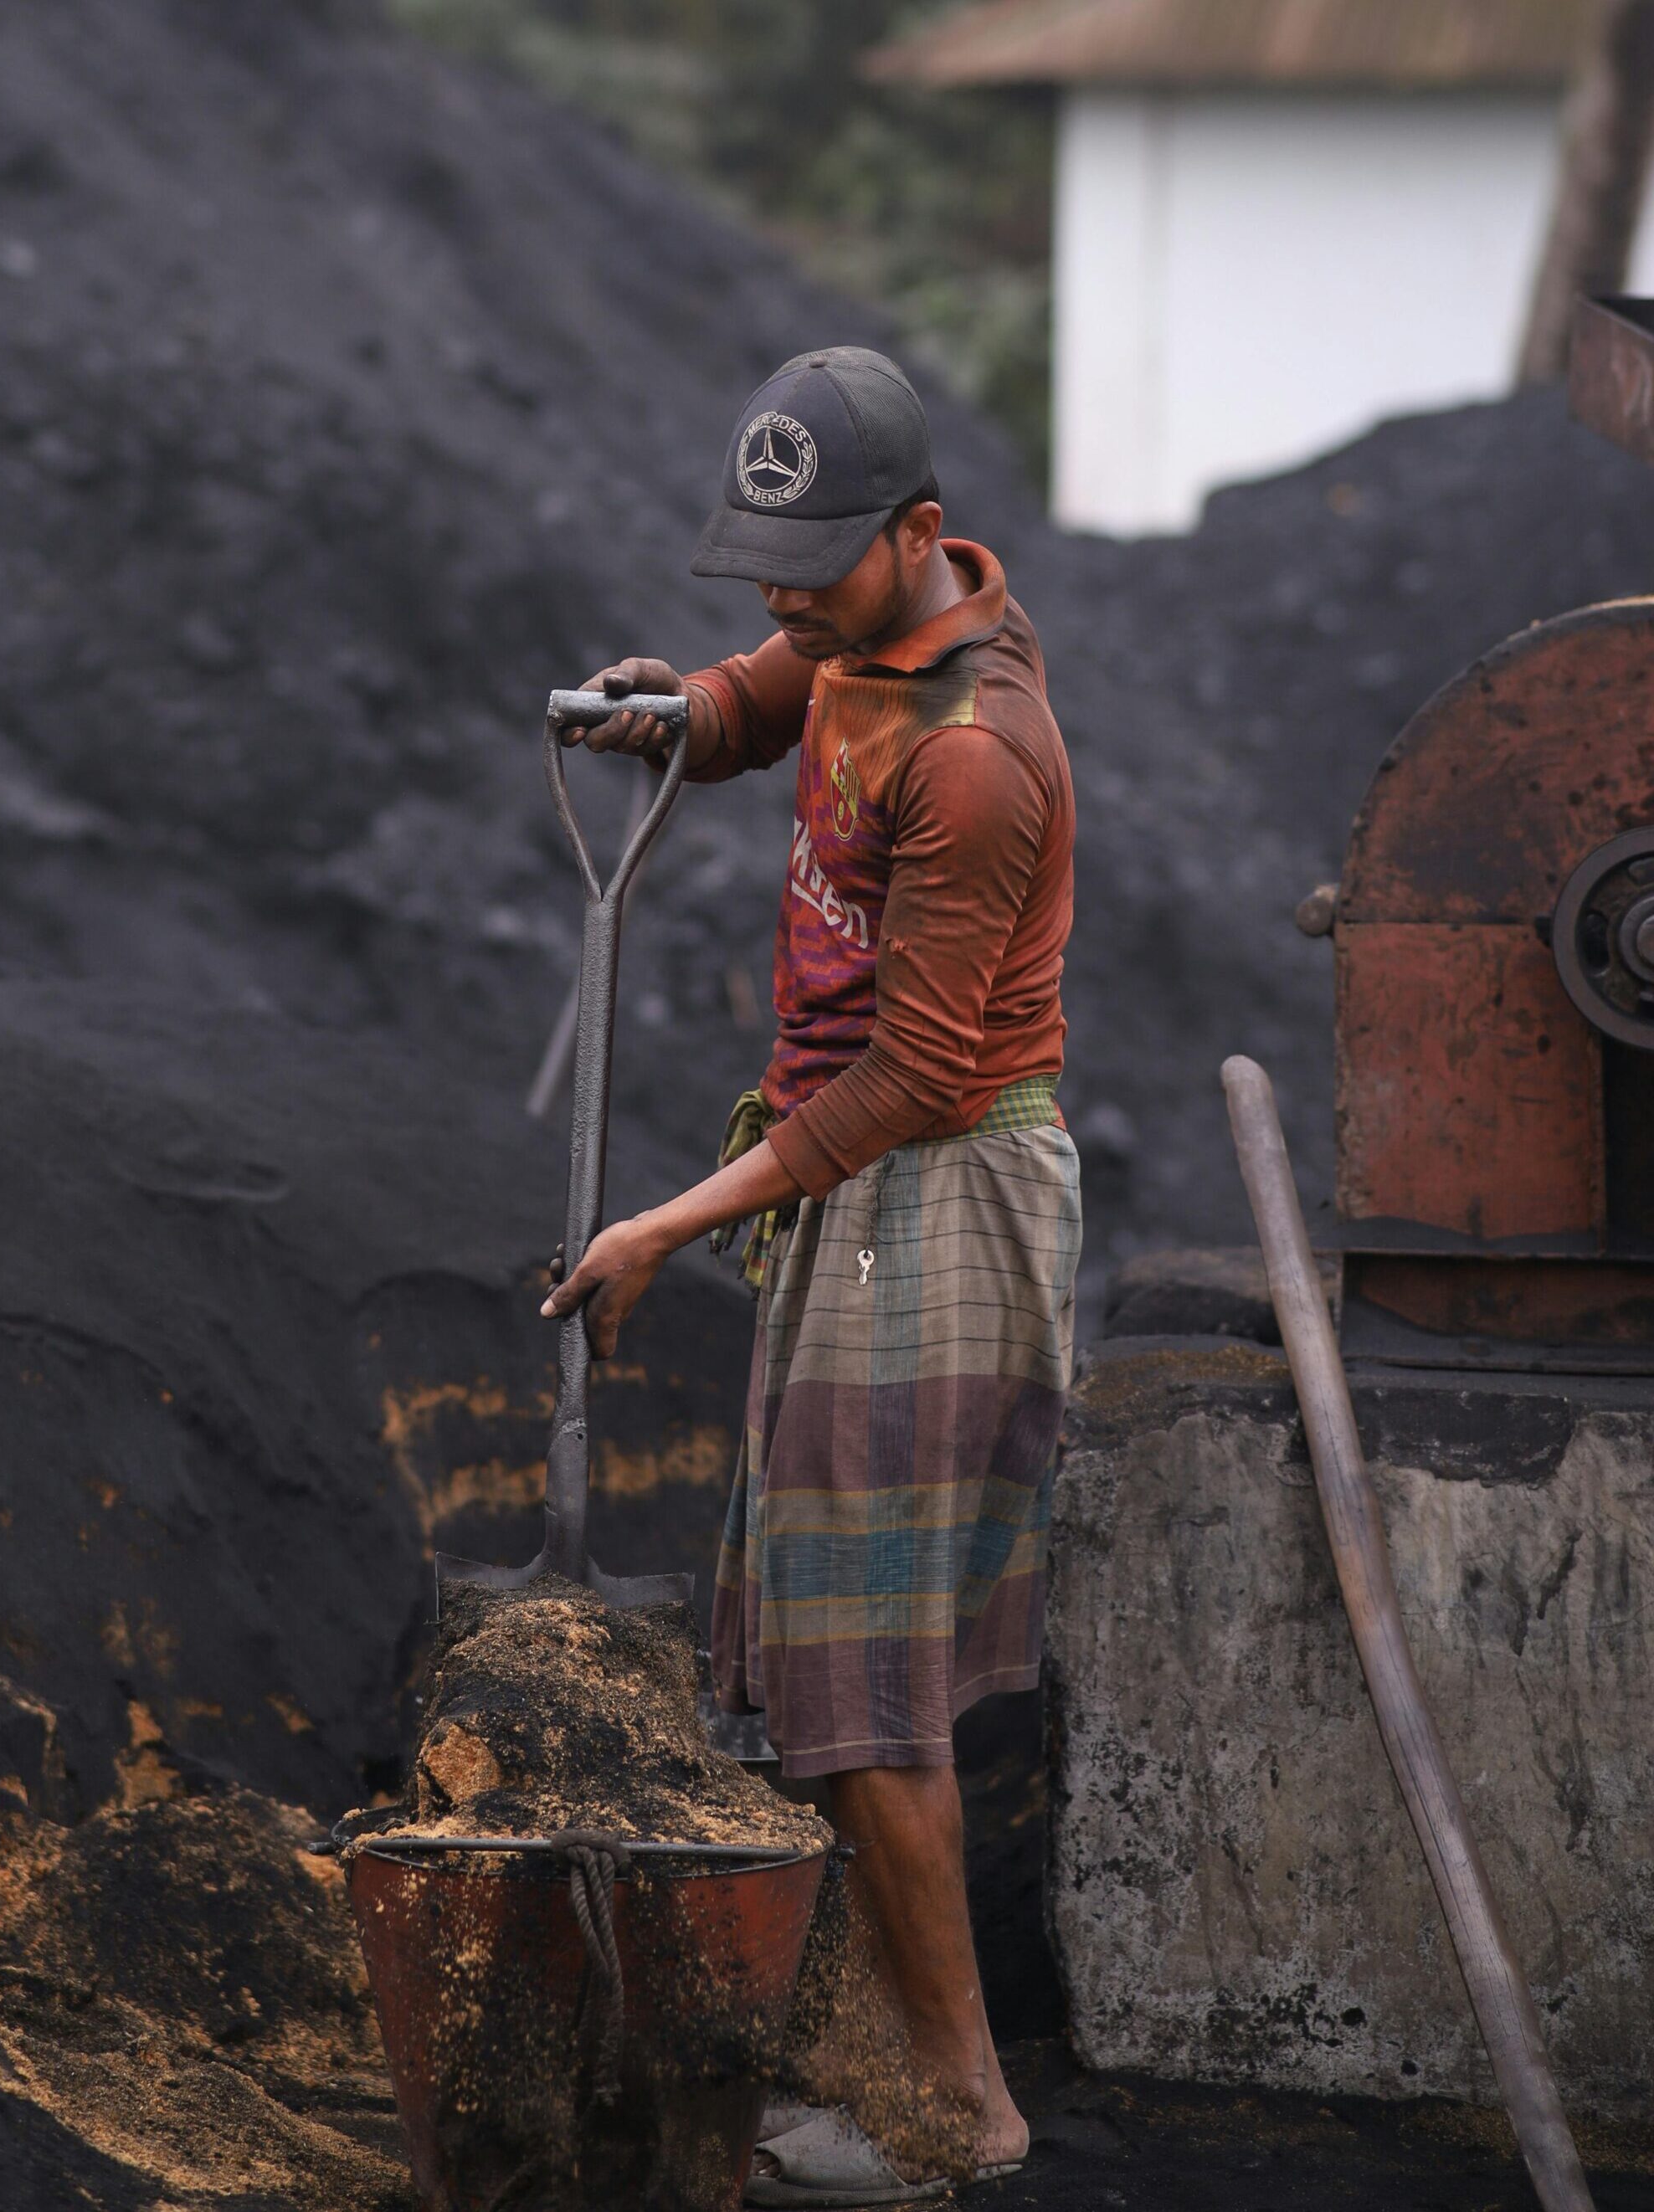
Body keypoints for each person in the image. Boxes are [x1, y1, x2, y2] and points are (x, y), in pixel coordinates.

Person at [542, 346, 1079, 2201]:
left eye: (810, 565)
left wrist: (669, 1223)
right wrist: (677, 713)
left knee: (862, 1678)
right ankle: (884, 2055)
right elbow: (769, 694)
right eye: (756, 565)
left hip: (941, 1184)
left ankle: (961, 2111)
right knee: (832, 1664)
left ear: (917, 535)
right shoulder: (864, 635)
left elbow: (919, 1073)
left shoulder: (975, 752)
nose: (779, 601)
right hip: (866, 1176)